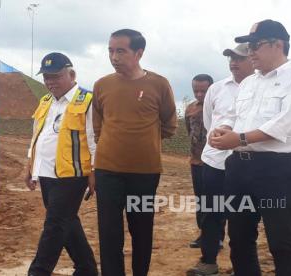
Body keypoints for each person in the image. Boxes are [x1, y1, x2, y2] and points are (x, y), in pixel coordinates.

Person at [210, 19, 291, 276]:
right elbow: (238, 118)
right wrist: (225, 129)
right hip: (239, 169)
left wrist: (240, 138)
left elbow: (285, 125)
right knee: (239, 240)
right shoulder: (249, 83)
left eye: (255, 46)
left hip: (276, 171)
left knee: (281, 241)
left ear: (277, 45)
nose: (250, 53)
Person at [92, 28, 177, 276]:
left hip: (144, 173)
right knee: (109, 232)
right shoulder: (102, 85)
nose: (114, 57)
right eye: (110, 50)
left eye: (121, 51)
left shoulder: (159, 84)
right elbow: (97, 125)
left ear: (139, 53)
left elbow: (169, 123)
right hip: (108, 172)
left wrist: (143, 141)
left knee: (141, 229)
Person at [25, 52, 98, 276]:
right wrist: (29, 165)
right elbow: (37, 134)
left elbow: (95, 139)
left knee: (55, 225)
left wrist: (95, 171)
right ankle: (87, 269)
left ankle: (38, 272)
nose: (50, 82)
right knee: (67, 221)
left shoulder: (87, 100)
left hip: (72, 175)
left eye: (55, 76)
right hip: (46, 172)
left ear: (71, 74)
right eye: (46, 77)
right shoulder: (45, 100)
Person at [187, 43, 254, 275]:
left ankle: (242, 266)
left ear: (253, 59)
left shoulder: (258, 87)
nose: (234, 62)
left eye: (240, 58)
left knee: (241, 216)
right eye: (231, 58)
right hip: (214, 161)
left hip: (246, 162)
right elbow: (208, 122)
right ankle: (208, 261)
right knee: (210, 212)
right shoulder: (217, 89)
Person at [185, 74, 213, 249]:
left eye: (204, 90)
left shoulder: (217, 107)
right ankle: (204, 234)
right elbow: (189, 132)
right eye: (196, 90)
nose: (200, 94)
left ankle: (215, 236)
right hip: (196, 161)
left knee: (215, 201)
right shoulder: (190, 108)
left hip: (214, 162)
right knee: (200, 200)